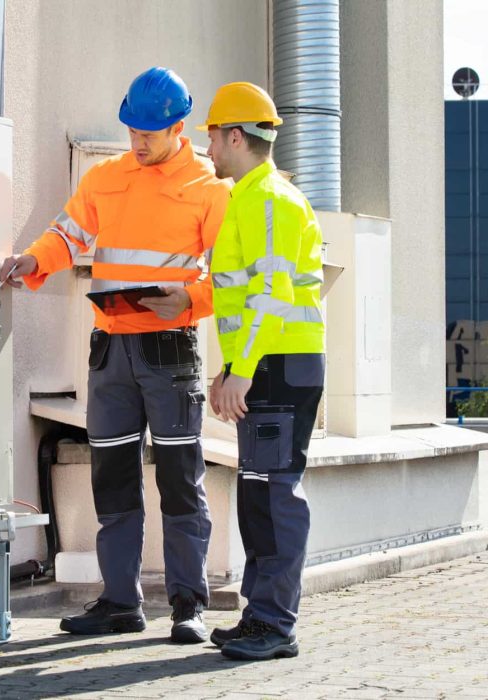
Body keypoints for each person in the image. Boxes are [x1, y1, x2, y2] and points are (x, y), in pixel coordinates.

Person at [0, 67, 231, 643]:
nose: (139, 141)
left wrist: (187, 299)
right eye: (132, 130)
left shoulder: (209, 188)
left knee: (180, 481)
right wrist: (34, 262)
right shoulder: (106, 178)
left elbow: (231, 279)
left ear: (179, 127)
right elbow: (68, 234)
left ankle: (187, 608)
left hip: (170, 352)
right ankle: (120, 603)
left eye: (150, 132)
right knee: (113, 481)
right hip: (110, 355)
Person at [200, 82, 325, 661]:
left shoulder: (268, 199)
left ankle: (275, 625)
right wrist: (231, 368)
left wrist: (242, 371)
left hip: (278, 367)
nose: (208, 150)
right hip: (268, 365)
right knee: (259, 494)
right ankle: (261, 617)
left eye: (211, 136)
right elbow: (246, 298)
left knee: (274, 496)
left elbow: (271, 296)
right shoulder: (254, 196)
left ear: (234, 135)